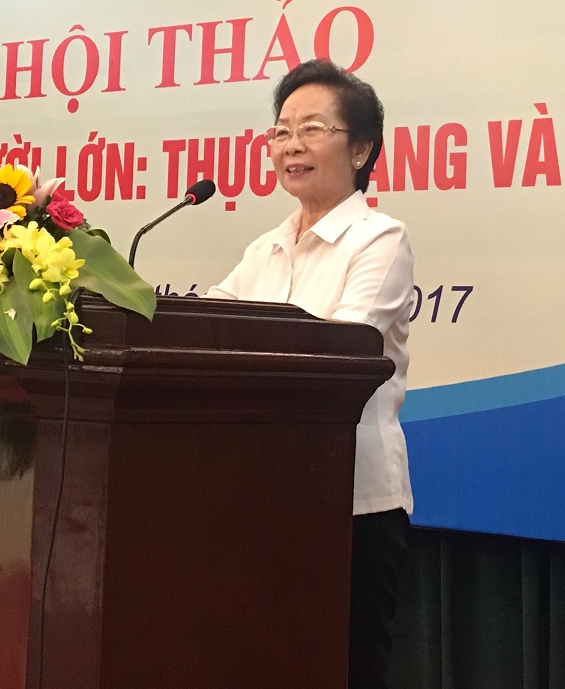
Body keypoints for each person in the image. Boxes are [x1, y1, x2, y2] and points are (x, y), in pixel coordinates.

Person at [205, 59, 414, 688]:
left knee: (343, 669)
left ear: (362, 150)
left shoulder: (380, 239)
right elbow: (207, 327)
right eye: (282, 131)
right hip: (264, 494)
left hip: (351, 504)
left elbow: (340, 352)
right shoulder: (264, 248)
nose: (291, 145)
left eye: (312, 129)